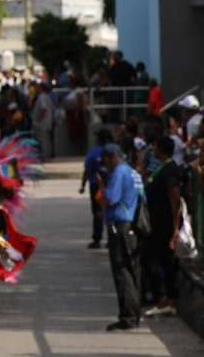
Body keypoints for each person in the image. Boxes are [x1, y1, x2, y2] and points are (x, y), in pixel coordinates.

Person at [100, 143, 145, 331]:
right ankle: (134, 314)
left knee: (122, 270)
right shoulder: (133, 173)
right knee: (133, 270)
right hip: (133, 225)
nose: (105, 164)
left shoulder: (119, 172)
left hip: (121, 226)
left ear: (113, 157)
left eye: (106, 160)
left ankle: (127, 317)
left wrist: (102, 187)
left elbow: (110, 198)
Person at [140, 136, 185, 315]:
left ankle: (168, 300)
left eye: (155, 146)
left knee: (163, 261)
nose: (153, 149)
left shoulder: (170, 170)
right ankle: (163, 298)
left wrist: (175, 228)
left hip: (165, 224)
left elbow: (175, 200)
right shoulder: (160, 167)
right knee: (153, 259)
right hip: (155, 223)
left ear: (160, 148)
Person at [79, 128, 112, 249]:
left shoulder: (92, 153)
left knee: (97, 212)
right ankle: (111, 239)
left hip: (95, 186)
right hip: (110, 185)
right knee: (110, 210)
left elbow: (87, 171)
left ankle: (97, 239)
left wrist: (82, 185)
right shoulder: (112, 151)